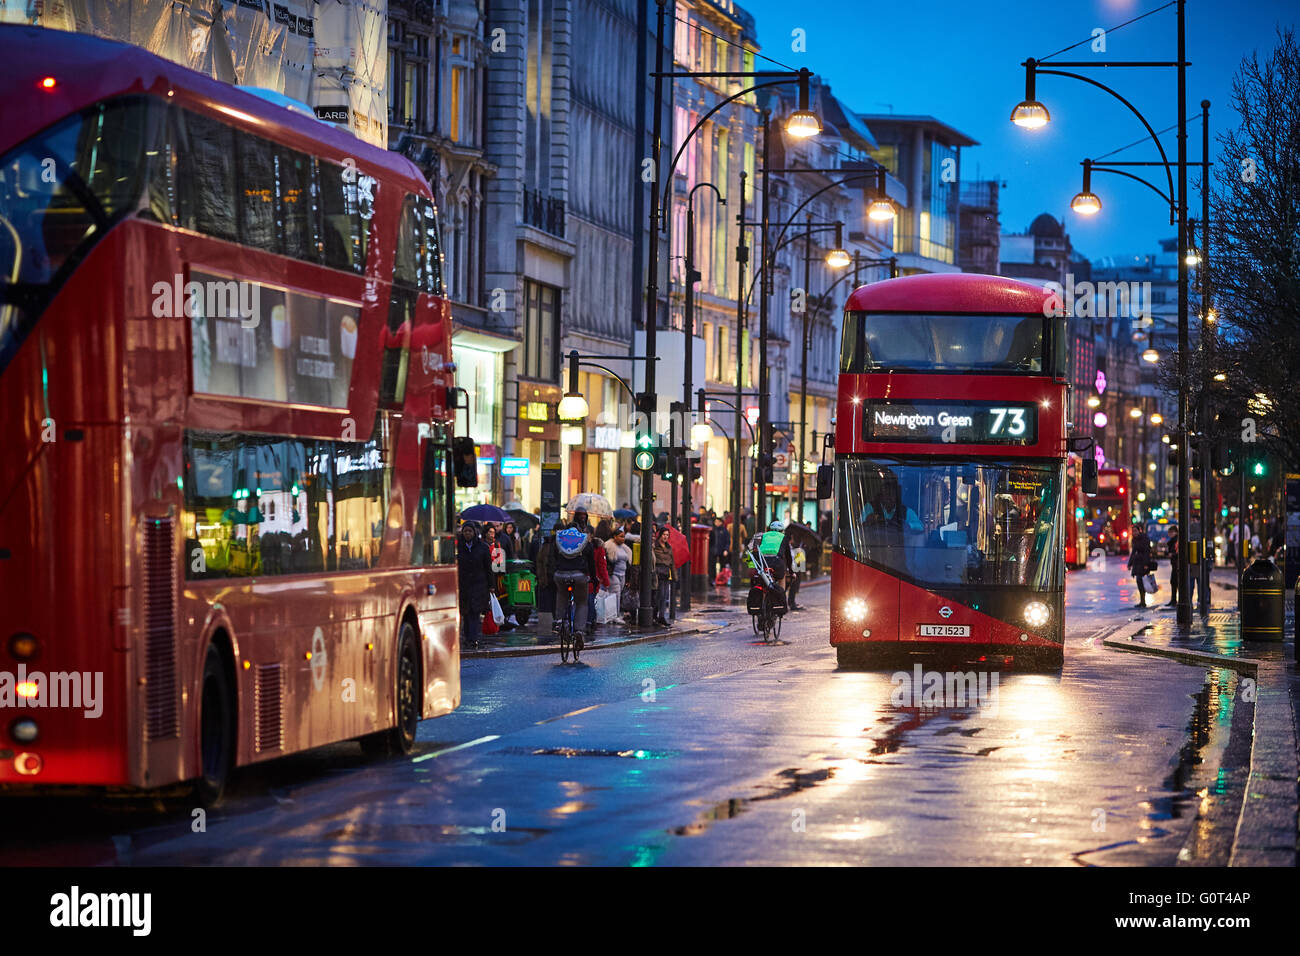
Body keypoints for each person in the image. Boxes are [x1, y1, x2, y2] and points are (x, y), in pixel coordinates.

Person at [553, 522, 598, 642]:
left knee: (561, 595)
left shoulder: (558, 540)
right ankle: (579, 631)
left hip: (560, 574)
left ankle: (559, 622)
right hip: (579, 575)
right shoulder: (584, 541)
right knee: (582, 602)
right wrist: (594, 579)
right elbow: (591, 564)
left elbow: (553, 558)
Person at [457, 522, 494, 646]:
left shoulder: (482, 547)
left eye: (470, 531)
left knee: (475, 613)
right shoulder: (459, 547)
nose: (467, 533)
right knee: (466, 613)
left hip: (479, 585)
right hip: (464, 585)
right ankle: (468, 637)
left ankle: (472, 638)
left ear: (474, 533)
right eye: (465, 531)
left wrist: (491, 586)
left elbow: (488, 568)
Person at [604, 526, 633, 620]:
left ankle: (615, 614)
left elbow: (628, 564)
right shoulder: (609, 546)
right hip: (614, 574)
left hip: (623, 574)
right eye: (621, 536)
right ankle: (614, 615)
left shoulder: (625, 548)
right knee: (615, 594)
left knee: (619, 594)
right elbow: (609, 561)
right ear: (615, 537)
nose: (623, 538)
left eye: (623, 536)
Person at [1166, 524, 1196, 607]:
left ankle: (1177, 600)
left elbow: (1179, 552)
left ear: (1175, 532)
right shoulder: (1173, 541)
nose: (1169, 534)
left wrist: (1172, 555)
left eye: (1171, 532)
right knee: (1174, 582)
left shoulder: (1176, 541)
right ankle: (1174, 599)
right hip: (1175, 564)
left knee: (1177, 582)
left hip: (1177, 565)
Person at [653, 526, 675, 626]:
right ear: (660, 535)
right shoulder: (655, 546)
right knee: (659, 596)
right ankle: (654, 615)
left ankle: (661, 616)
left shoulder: (669, 547)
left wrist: (674, 576)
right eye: (664, 534)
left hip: (666, 573)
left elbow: (672, 562)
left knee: (664, 596)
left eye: (667, 535)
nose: (665, 537)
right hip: (657, 573)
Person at [1128, 526, 1154, 609]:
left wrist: (1146, 564)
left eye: (1135, 531)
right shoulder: (1134, 540)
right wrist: (1130, 564)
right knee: (1139, 581)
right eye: (1133, 531)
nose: (1134, 533)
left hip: (1143, 562)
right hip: (1137, 563)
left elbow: (1147, 551)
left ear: (1140, 531)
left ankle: (1143, 601)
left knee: (1142, 581)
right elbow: (1133, 552)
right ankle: (1142, 601)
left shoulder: (1145, 538)